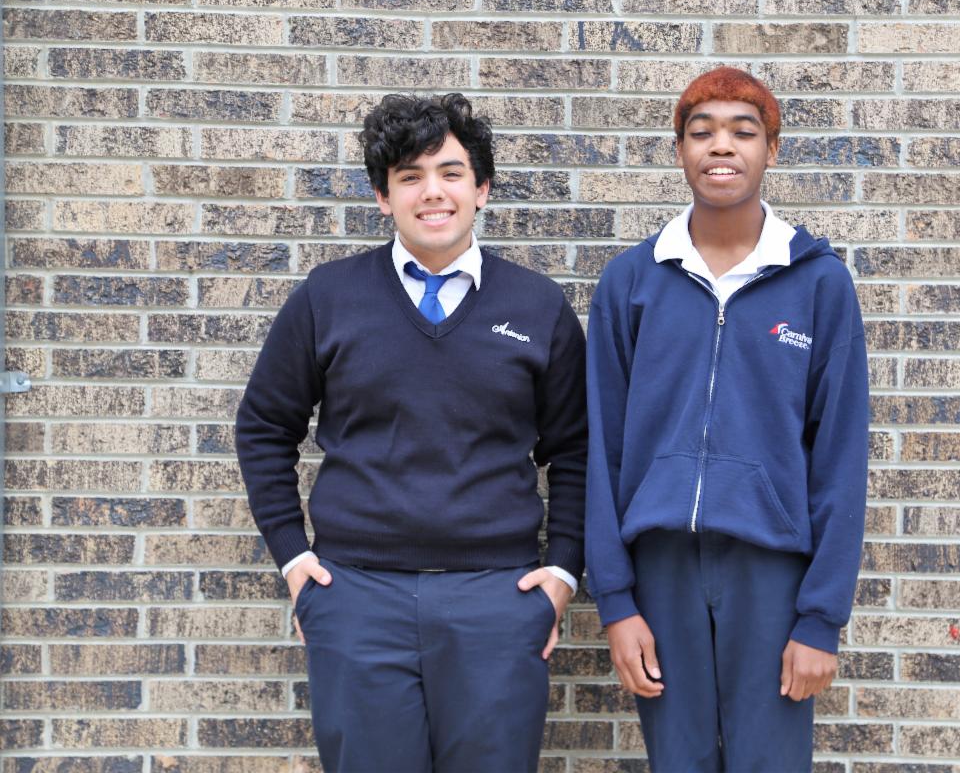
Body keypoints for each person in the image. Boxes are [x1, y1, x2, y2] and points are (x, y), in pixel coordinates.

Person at [235, 93, 587, 772]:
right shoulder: (328, 298)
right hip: (357, 598)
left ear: (481, 188)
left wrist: (564, 572)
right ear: (382, 196)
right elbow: (264, 426)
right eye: (410, 176)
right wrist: (292, 558)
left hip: (497, 601)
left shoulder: (537, 306)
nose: (433, 192)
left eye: (451, 173)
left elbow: (575, 449)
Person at [584, 67, 869, 771]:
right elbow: (602, 447)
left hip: (771, 574)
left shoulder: (819, 283)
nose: (721, 146)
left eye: (743, 132)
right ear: (679, 148)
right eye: (701, 131)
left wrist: (820, 618)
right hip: (660, 572)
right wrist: (616, 602)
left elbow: (840, 456)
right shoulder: (632, 281)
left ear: (772, 150)